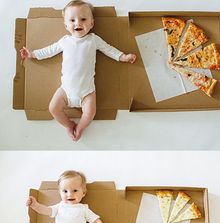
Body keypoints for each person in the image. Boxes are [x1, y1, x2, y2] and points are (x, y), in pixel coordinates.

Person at [19, 0, 137, 141]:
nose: (78, 23)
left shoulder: (93, 40)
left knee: (90, 113)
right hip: (65, 90)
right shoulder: (64, 41)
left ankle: (80, 127)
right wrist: (32, 54)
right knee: (53, 108)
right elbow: (49, 50)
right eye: (72, 20)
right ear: (66, 25)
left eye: (83, 19)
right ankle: (69, 125)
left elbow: (108, 49)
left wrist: (122, 56)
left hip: (87, 92)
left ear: (92, 23)